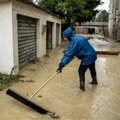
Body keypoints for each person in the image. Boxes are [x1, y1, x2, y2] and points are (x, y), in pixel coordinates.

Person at [56, 27, 98, 91]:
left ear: (68, 36)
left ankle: (82, 87)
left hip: (87, 57)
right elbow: (81, 47)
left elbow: (67, 55)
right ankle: (94, 81)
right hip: (93, 54)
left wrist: (61, 66)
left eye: (65, 37)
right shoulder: (79, 37)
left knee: (81, 71)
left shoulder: (73, 42)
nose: (64, 39)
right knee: (92, 68)